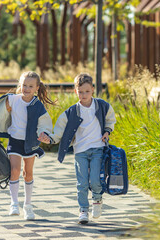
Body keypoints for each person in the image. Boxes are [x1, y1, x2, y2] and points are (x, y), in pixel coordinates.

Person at [38, 73, 116, 224]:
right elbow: (59, 130)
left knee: (95, 180)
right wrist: (50, 138)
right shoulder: (71, 112)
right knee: (82, 183)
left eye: (87, 91)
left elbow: (110, 119)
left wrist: (107, 131)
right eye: (80, 92)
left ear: (92, 89)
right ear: (75, 91)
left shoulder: (102, 106)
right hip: (80, 151)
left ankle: (97, 199)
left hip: (97, 149)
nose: (84, 95)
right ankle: (83, 210)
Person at [1, 71, 54, 220]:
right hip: (15, 140)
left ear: (37, 88)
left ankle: (28, 206)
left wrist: (44, 135)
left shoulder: (38, 106)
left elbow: (44, 123)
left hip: (30, 142)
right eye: (24, 85)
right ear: (20, 85)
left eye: (30, 86)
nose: (26, 88)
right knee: (15, 170)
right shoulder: (12, 100)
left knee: (28, 173)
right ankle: (14, 203)